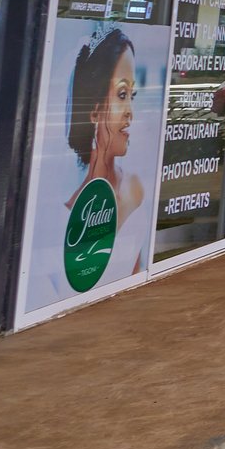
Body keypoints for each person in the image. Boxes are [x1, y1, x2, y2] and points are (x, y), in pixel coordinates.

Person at [66, 28, 150, 278]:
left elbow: (138, 275)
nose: (130, 112)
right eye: (122, 95)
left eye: (131, 96)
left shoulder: (134, 186)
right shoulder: (72, 211)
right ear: (93, 111)